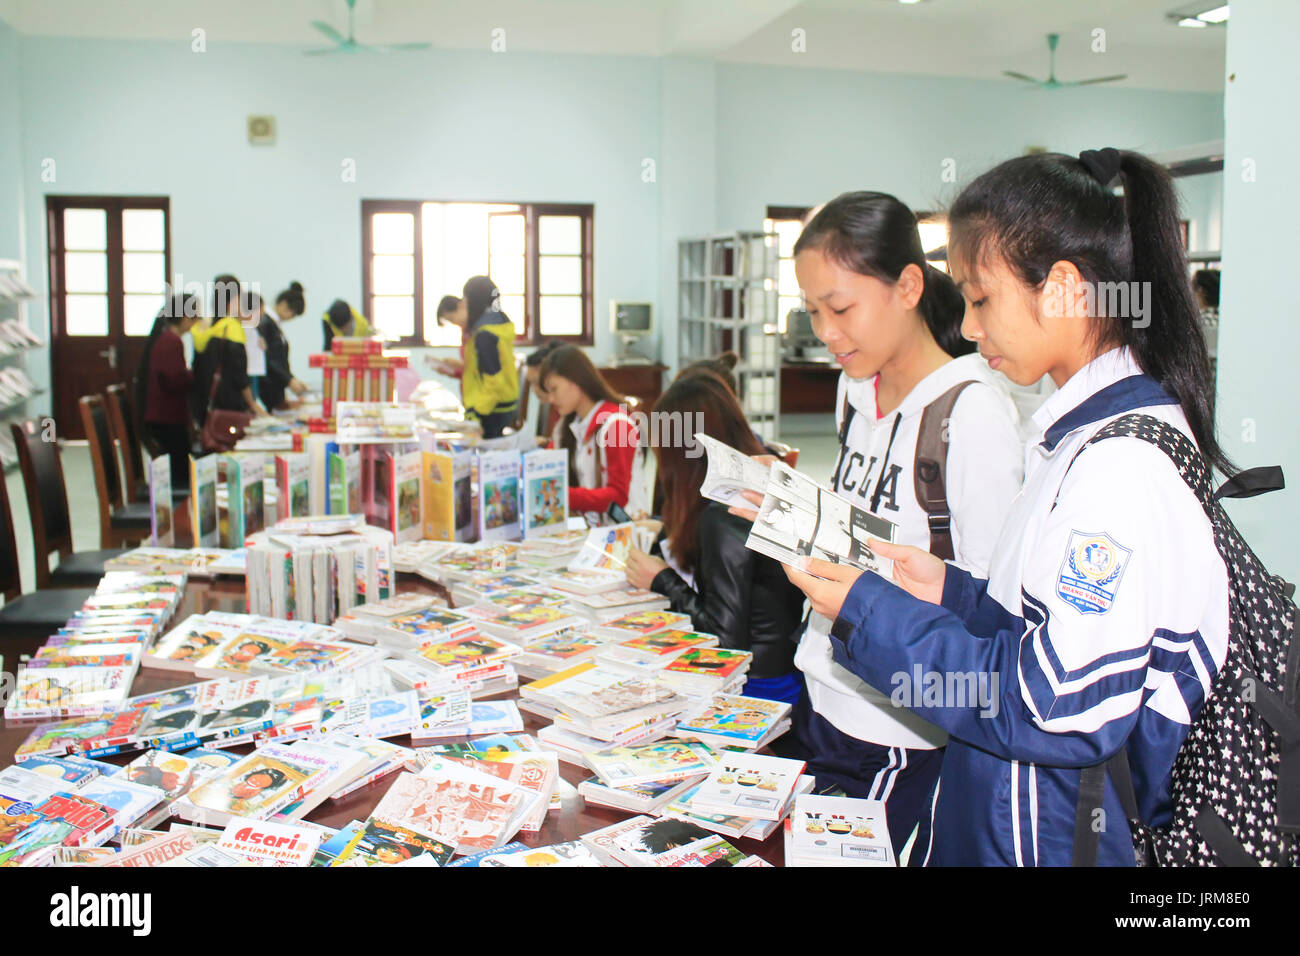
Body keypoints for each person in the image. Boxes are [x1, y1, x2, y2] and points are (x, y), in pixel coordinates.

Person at [783, 148, 1230, 867]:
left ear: (1060, 288)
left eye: (981, 298)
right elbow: (1042, 638)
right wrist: (950, 592)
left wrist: (874, 612)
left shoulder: (1118, 471)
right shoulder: (1076, 439)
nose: (966, 324)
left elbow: (1057, 705)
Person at [743, 191, 1024, 865]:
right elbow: (868, 518)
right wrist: (783, 503)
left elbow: (992, 608)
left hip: (901, 730)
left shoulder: (972, 415)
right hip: (825, 695)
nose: (826, 331)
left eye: (840, 308)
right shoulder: (854, 391)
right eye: (812, 310)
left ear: (907, 286)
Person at [624, 372, 805, 705]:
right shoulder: (759, 483)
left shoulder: (722, 516)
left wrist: (661, 580)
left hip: (756, 688)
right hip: (784, 669)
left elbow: (724, 642)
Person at [539, 344, 638, 522]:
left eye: (554, 389)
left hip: (622, 532)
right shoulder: (566, 425)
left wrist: (563, 494)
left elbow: (618, 496)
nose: (551, 399)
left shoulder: (617, 425)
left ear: (576, 381)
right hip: (587, 528)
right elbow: (548, 466)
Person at [429, 277, 520, 439]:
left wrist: (476, 414)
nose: (463, 303)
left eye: (466, 298)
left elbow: (494, 381)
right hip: (496, 406)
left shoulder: (485, 334)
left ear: (475, 300)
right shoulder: (494, 324)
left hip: (492, 411)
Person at [137, 291, 199, 488]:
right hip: (167, 421)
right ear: (185, 316)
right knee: (184, 477)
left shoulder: (166, 338)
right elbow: (175, 381)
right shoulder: (171, 341)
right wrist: (192, 374)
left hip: (164, 418)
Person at [256, 283, 309, 411]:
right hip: (267, 387)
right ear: (283, 304)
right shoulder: (265, 323)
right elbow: (269, 359)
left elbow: (280, 359)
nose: (291, 317)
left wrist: (291, 378)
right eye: (292, 313)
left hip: (276, 388)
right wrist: (289, 380)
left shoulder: (275, 325)